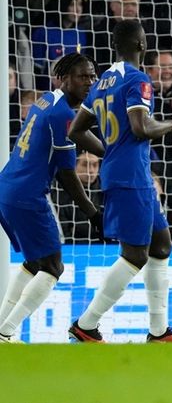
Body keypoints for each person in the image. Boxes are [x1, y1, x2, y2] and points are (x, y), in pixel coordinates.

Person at [67, 20, 172, 343]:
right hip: (131, 178)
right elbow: (141, 128)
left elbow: (76, 130)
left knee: (161, 245)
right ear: (142, 44)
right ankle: (87, 323)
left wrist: (109, 150)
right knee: (135, 254)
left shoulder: (102, 82)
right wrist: (169, 125)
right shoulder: (138, 80)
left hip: (126, 174)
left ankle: (159, 331)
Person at [0, 52, 101, 343]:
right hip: (27, 196)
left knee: (34, 262)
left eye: (92, 76)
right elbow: (67, 175)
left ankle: (3, 327)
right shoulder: (63, 115)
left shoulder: (46, 100)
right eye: (82, 76)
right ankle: (5, 332)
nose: (89, 82)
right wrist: (92, 213)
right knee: (53, 266)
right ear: (63, 78)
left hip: (9, 188)